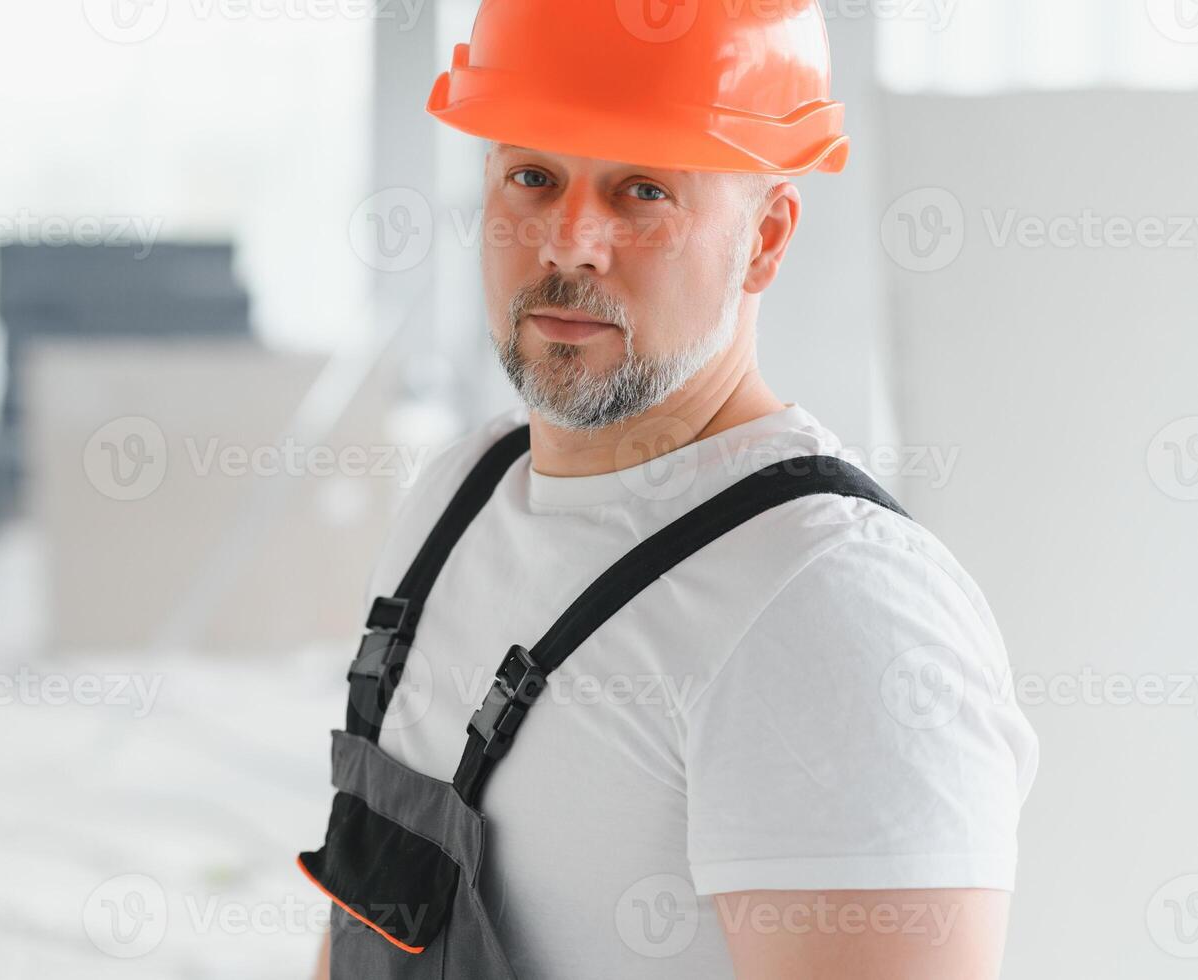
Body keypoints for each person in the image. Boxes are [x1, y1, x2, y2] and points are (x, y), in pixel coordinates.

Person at [301, 3, 1039, 977]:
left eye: (643, 189)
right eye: (534, 175)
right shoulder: (458, 494)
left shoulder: (828, 605)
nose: (572, 243)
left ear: (767, 236)